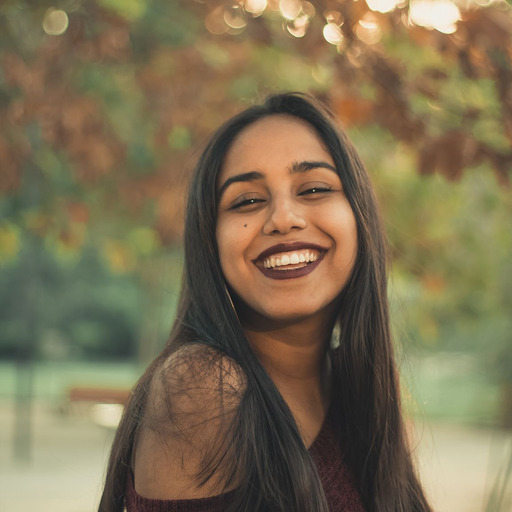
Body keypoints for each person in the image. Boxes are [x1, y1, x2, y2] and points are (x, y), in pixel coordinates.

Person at [99, 92, 432, 512]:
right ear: (211, 242)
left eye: (313, 188)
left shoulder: (362, 387)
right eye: (248, 201)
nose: (283, 219)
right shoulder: (206, 388)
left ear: (359, 215)